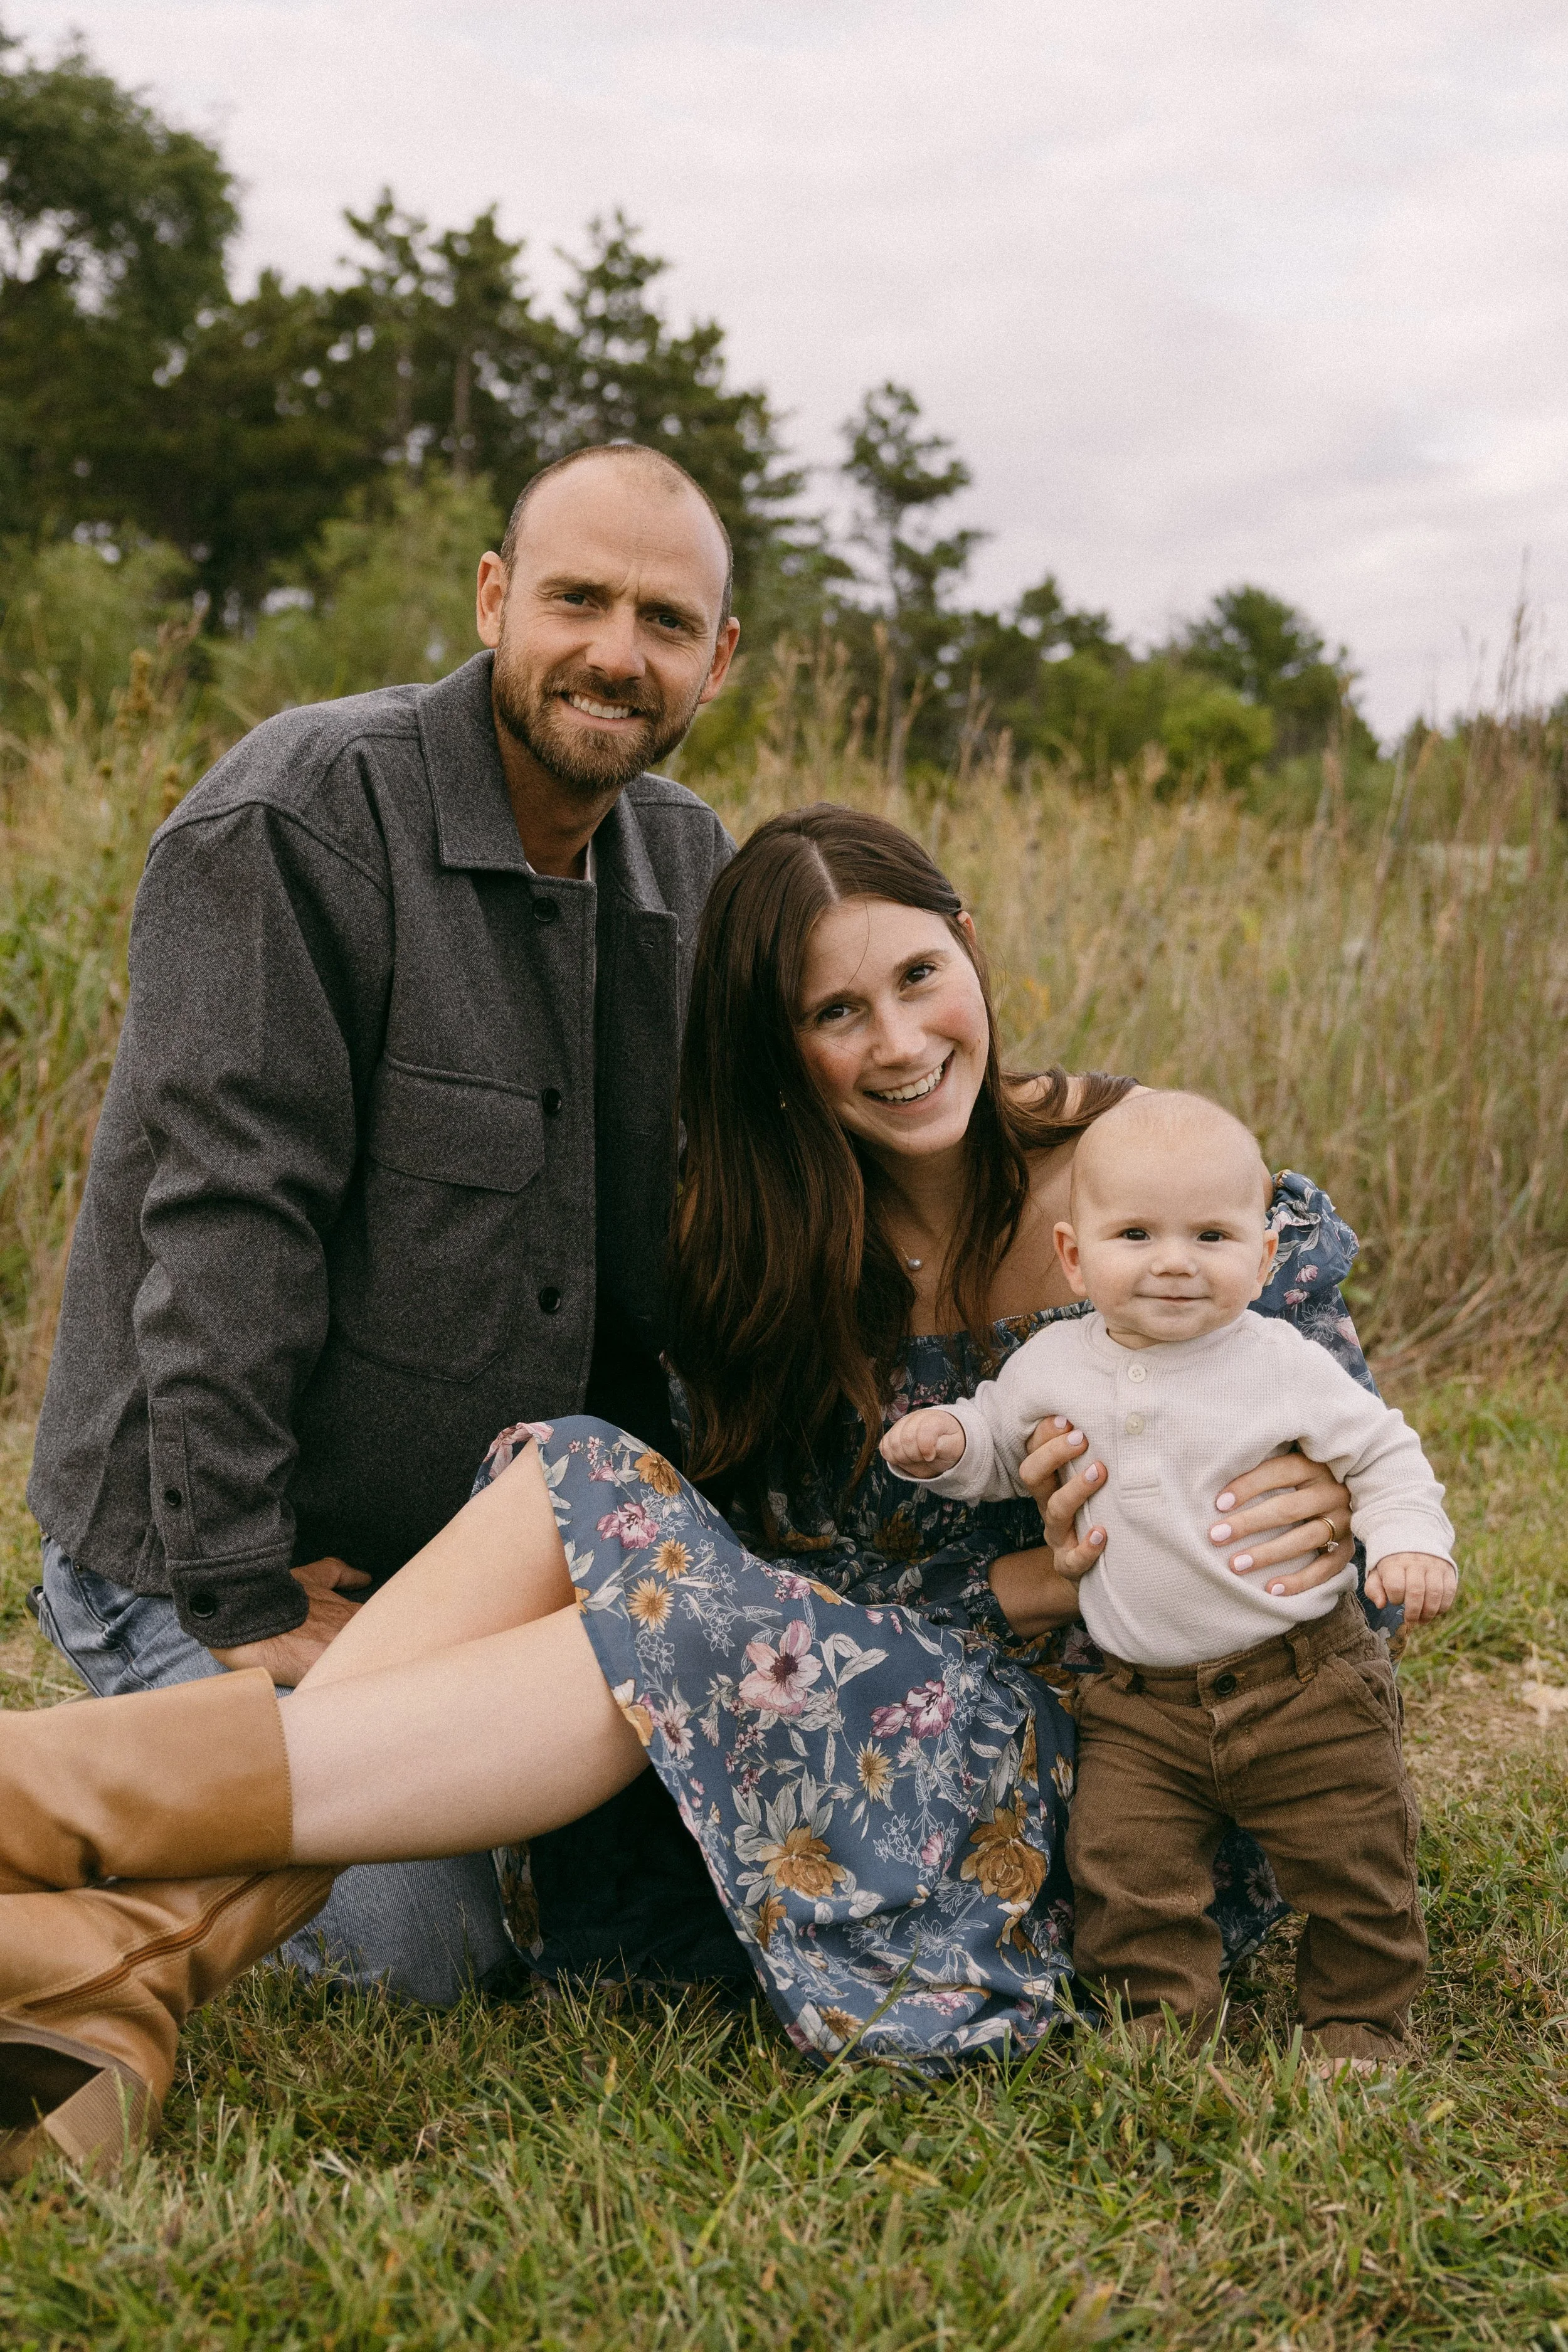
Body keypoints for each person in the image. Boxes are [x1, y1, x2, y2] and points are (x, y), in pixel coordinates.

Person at [0, 807, 1387, 2181]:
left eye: (917, 976)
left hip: (1112, 1765)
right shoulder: (776, 1252)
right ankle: (122, 1968)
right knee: (576, 1469)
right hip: (855, 1693)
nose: (899, 1044)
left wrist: (1305, 1532)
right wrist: (1006, 1578)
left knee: (675, 1634)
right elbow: (804, 1571)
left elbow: (1347, 1570)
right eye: (836, 1011)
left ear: (969, 948)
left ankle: (63, 1834)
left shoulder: (1171, 1194)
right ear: (777, 1047)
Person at [23, 442, 740, 2003]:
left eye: (664, 620)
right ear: (495, 600)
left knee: (692, 1942)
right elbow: (220, 1219)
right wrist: (240, 1590)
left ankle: (438, 1778)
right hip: (220, 1545)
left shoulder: (692, 873)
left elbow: (807, 1171)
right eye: (576, 598)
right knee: (417, 1969)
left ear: (716, 661)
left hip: (481, 1566)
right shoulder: (300, 820)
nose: (617, 652)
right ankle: (78, 1825)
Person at [881, 1086, 1456, 2062]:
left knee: (1355, 1857)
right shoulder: (1053, 1364)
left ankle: (1358, 2018)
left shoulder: (1280, 1361)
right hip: (1140, 1702)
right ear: (1075, 1255)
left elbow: (1383, 1453)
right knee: (1125, 1867)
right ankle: (1158, 2016)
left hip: (1304, 1680)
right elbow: (994, 1438)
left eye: (1213, 1235)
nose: (1176, 1260)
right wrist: (945, 1443)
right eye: (1137, 1233)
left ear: (1265, 1258)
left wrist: (1408, 1540)